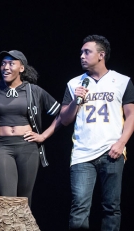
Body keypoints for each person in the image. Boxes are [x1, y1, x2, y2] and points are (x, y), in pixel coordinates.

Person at [60, 35, 134, 231]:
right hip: (82, 154)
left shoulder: (122, 81)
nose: (82, 56)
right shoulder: (74, 83)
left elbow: (131, 116)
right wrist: (76, 100)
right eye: (81, 53)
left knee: (111, 208)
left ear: (101, 55)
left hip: (111, 151)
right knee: (79, 209)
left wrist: (121, 143)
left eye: (87, 52)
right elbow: (65, 120)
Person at [0, 50, 62, 207]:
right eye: (3, 63)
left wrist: (43, 136)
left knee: (25, 199)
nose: (5, 67)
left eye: (11, 63)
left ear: (21, 68)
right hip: (3, 146)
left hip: (28, 147)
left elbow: (62, 114)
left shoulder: (33, 91)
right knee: (8, 199)